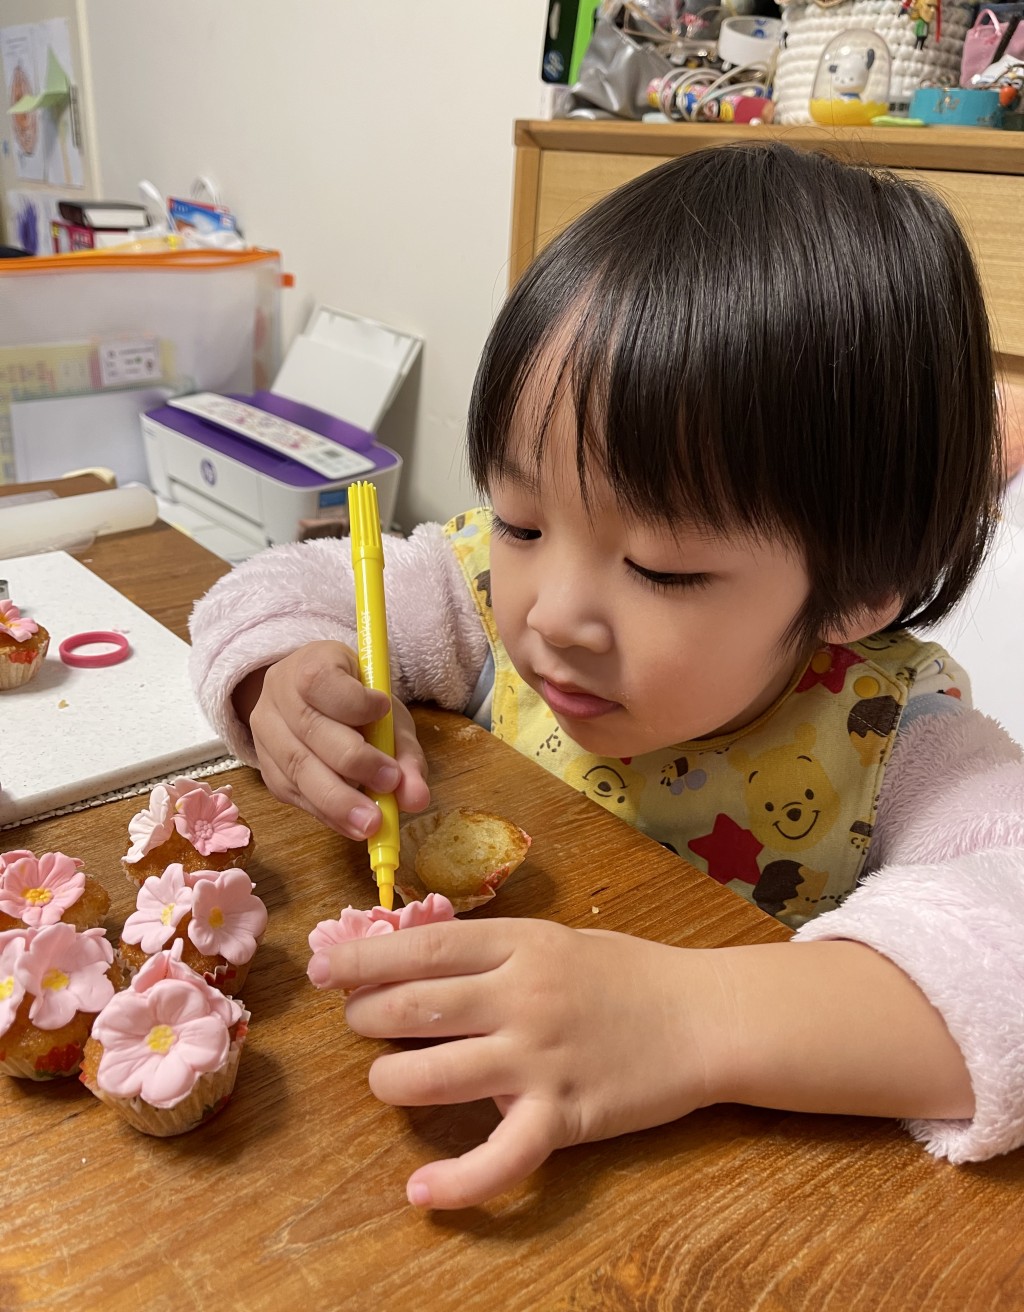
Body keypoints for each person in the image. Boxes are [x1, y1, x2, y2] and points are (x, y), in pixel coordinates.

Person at [190, 143, 1024, 1210]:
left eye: (661, 568)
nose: (550, 611)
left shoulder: (900, 742)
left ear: (866, 581)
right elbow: (285, 582)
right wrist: (281, 677)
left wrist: (687, 1017)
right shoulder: (483, 596)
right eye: (523, 517)